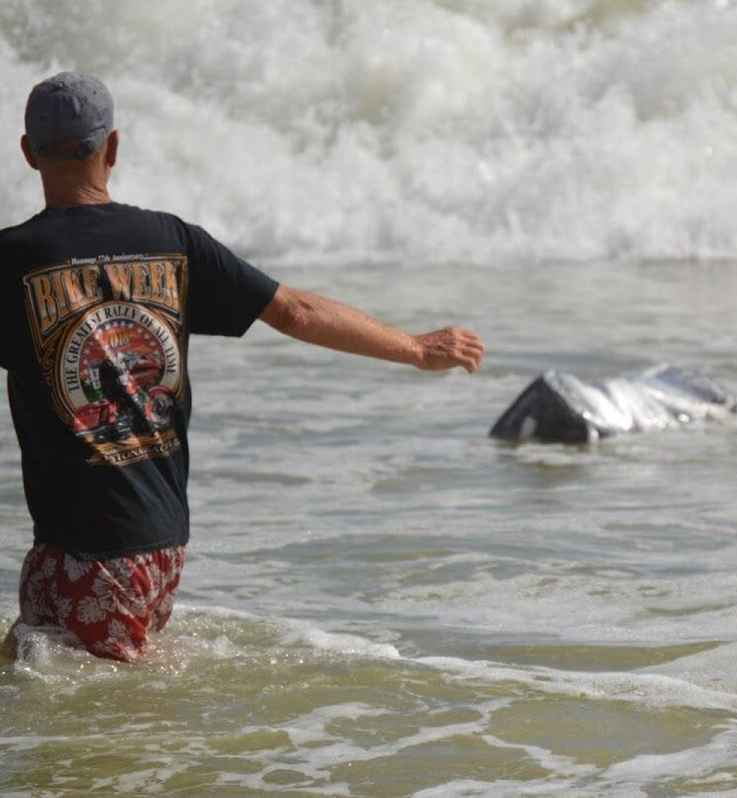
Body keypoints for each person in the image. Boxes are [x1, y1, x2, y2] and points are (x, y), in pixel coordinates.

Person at [0, 73, 484, 663]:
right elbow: (297, 312)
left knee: (100, 736)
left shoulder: (12, 263)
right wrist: (414, 347)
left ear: (27, 152)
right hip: (159, 541)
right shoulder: (173, 241)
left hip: (87, 548)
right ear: (114, 147)